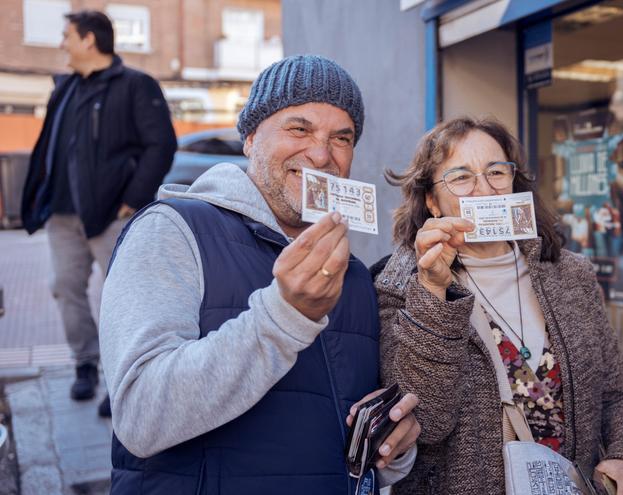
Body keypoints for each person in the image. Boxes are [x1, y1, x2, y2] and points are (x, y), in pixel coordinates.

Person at [99, 55, 419, 494]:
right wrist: (283, 315)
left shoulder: (355, 277)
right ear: (250, 138)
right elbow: (140, 418)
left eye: (341, 138)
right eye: (299, 129)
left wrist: (392, 447)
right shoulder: (171, 230)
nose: (321, 154)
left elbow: (347, 446)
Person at [375, 117, 623, 494]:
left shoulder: (571, 274)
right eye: (461, 178)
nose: (484, 190)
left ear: (514, 182)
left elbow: (617, 396)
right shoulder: (399, 286)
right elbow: (427, 422)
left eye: (496, 172)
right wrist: (433, 289)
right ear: (432, 201)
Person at [20, 10, 177, 416]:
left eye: (66, 35)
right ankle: (85, 363)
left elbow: (161, 144)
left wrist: (133, 198)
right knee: (64, 287)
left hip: (112, 215)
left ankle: (121, 377)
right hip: (62, 214)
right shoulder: (64, 89)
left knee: (125, 298)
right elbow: (49, 147)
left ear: (89, 39)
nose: (61, 44)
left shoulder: (136, 85)